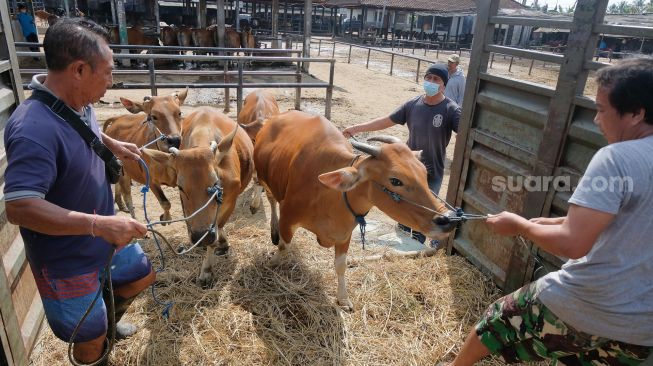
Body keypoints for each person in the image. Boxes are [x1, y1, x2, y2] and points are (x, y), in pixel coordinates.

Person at [445, 57, 653, 365]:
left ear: (636, 114)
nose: (596, 120)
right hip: (642, 328)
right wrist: (558, 221)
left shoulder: (617, 158)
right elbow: (629, 222)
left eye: (601, 109)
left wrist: (521, 226)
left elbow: (573, 244)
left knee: (495, 321)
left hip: (588, 302)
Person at [4, 18, 155, 365]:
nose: (112, 81)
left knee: (142, 275)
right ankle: (96, 348)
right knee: (87, 338)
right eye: (108, 72)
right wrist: (98, 225)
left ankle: (107, 324)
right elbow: (20, 207)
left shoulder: (77, 102)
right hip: (66, 260)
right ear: (79, 69)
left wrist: (110, 142)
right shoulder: (33, 129)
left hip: (100, 238)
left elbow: (83, 130)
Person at [343, 63, 461, 245]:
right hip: (406, 171)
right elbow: (386, 121)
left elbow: (466, 133)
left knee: (428, 211)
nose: (430, 81)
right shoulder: (413, 104)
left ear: (444, 85)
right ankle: (407, 244)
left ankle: (420, 246)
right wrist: (357, 128)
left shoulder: (450, 109)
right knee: (404, 210)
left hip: (432, 171)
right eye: (428, 77)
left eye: (436, 79)